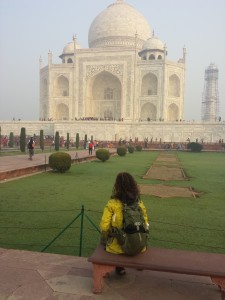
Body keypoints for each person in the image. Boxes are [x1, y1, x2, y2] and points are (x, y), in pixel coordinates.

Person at [100, 172, 149, 275]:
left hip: (117, 249)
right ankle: (125, 266)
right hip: (139, 245)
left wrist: (106, 237)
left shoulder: (113, 203)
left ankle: (118, 268)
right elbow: (146, 224)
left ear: (117, 186)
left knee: (110, 240)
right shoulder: (139, 203)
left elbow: (104, 227)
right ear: (133, 185)